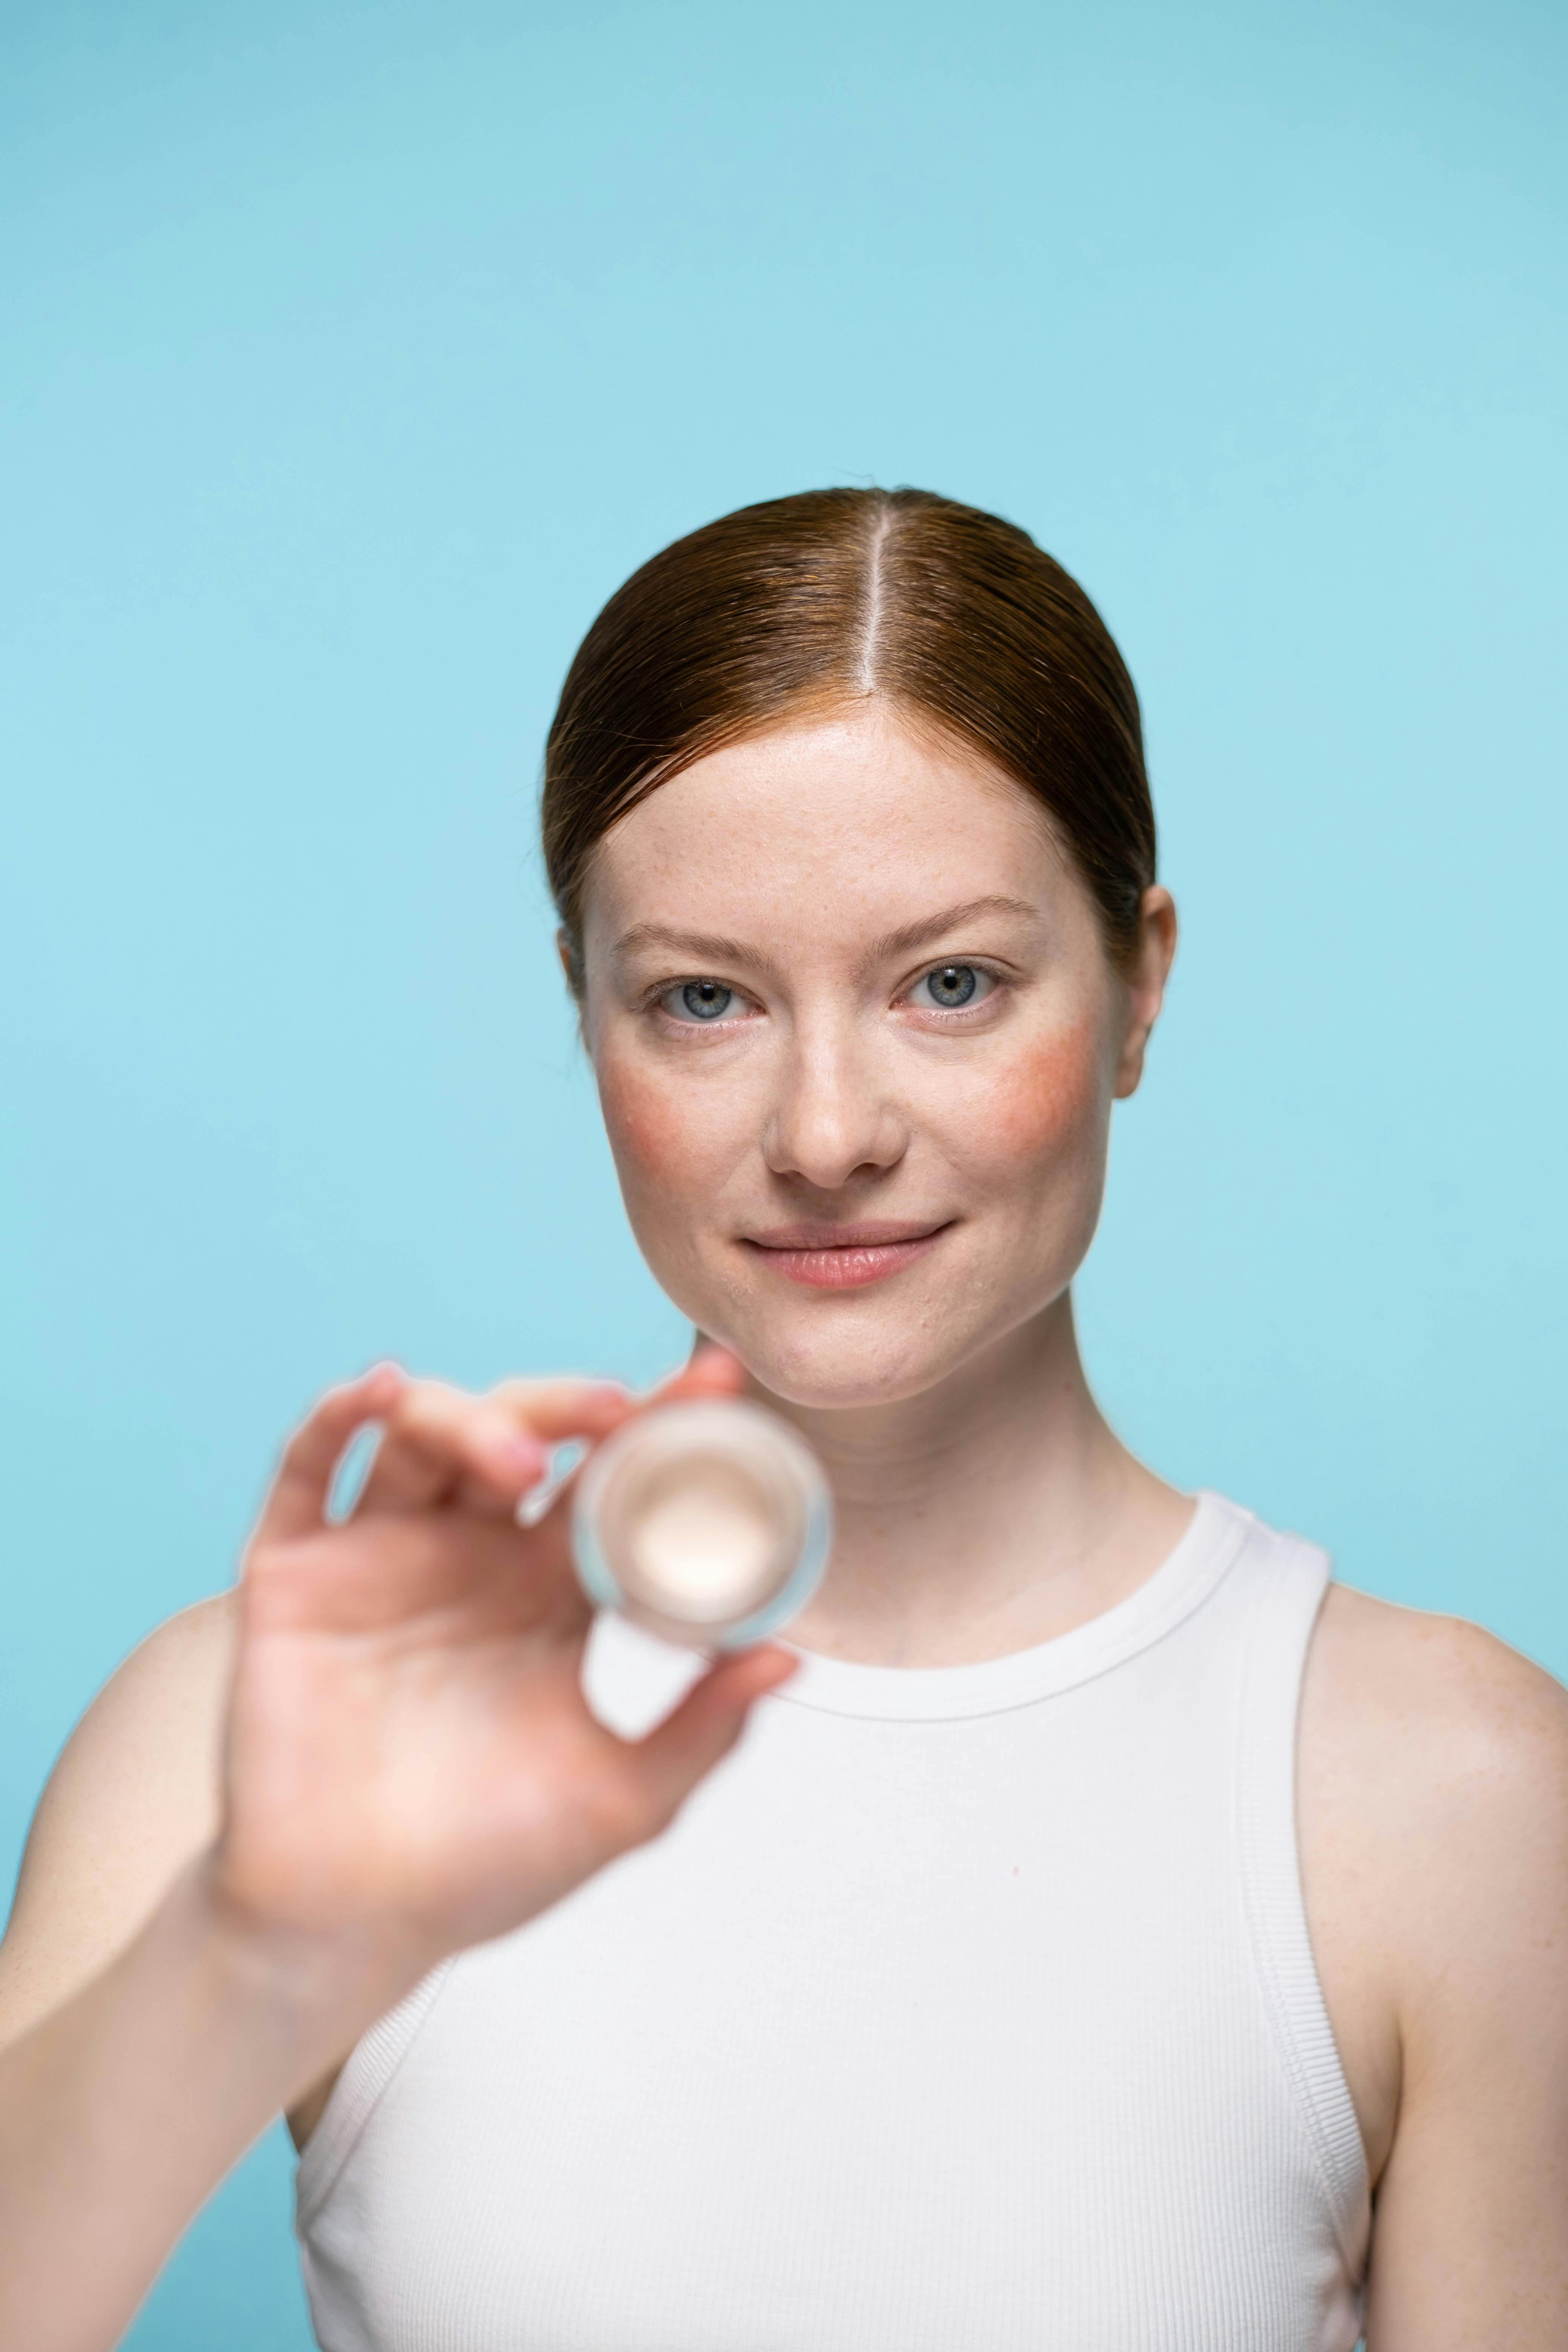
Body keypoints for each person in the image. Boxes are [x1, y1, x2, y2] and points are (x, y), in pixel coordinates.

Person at [1, 488, 1565, 2352]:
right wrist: (246, 1956)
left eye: (951, 983)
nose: (826, 1135)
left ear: (1139, 984)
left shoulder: (1448, 1793)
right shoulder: (256, 1742)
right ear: (586, 1014)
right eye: (703, 1000)